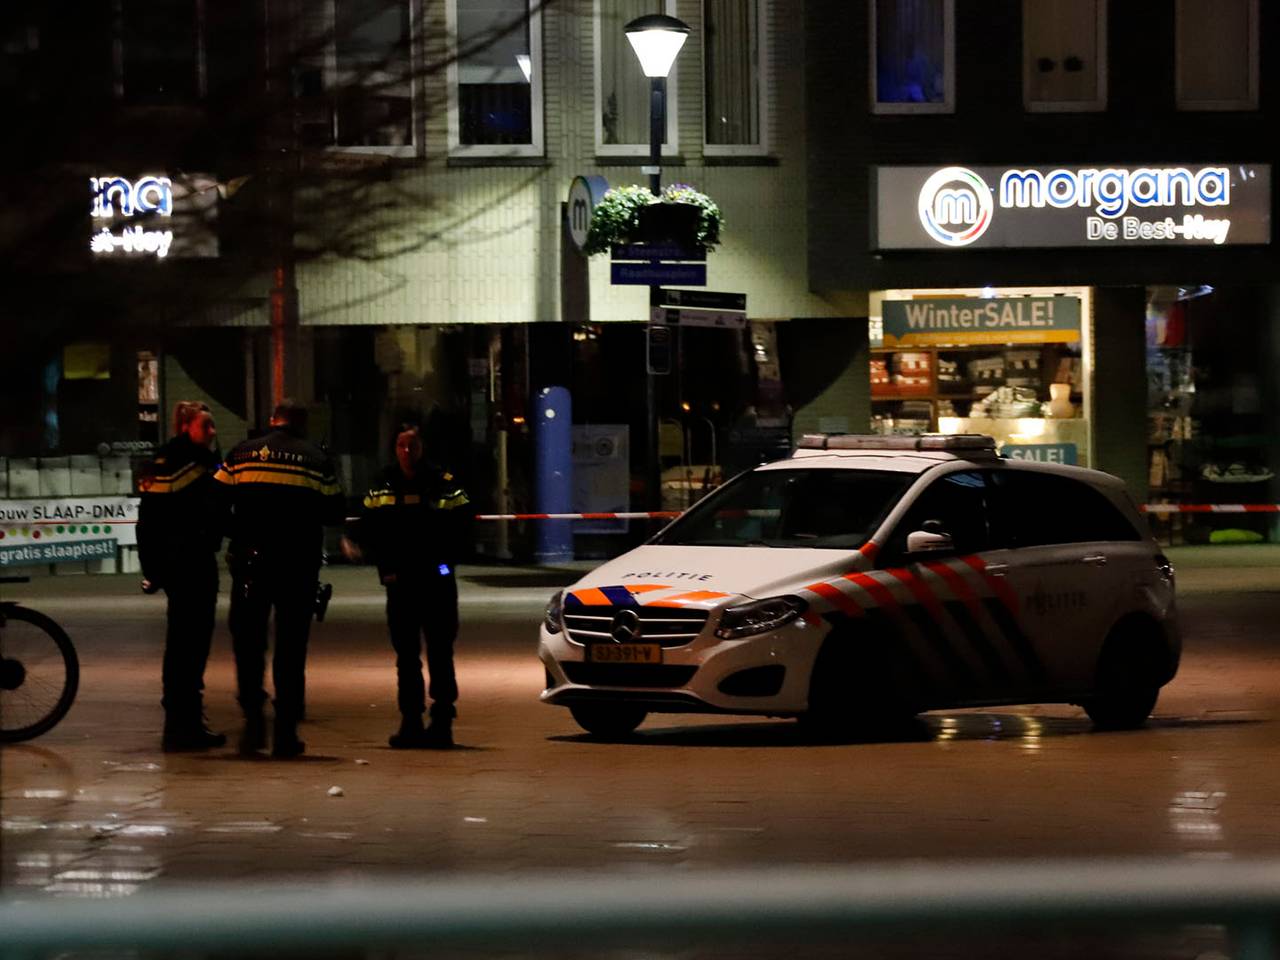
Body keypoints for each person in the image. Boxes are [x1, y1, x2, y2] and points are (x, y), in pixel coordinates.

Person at [215, 399, 344, 758]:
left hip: (251, 564)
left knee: (248, 643)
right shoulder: (316, 459)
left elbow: (215, 502)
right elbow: (335, 511)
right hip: (297, 565)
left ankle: (253, 727)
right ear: (301, 425)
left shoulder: (241, 454)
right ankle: (286, 734)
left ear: (272, 421)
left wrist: (239, 532)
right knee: (291, 648)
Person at [342, 424, 470, 749]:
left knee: (441, 653)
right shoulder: (384, 482)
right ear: (394, 449)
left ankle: (442, 722)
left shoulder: (443, 483)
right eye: (401, 446)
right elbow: (367, 522)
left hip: (435, 583)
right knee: (406, 657)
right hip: (400, 584)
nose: (407, 452)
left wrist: (446, 562)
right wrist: (356, 543)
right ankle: (410, 721)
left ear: (422, 447)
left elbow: (464, 522)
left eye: (412, 445)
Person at [137, 401, 228, 752]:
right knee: (190, 647)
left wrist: (152, 570)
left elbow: (148, 521)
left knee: (180, 645)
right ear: (187, 426)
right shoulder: (196, 465)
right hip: (192, 565)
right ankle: (184, 726)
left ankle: (181, 722)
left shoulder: (163, 461)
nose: (212, 432)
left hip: (176, 567)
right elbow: (213, 511)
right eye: (206, 425)